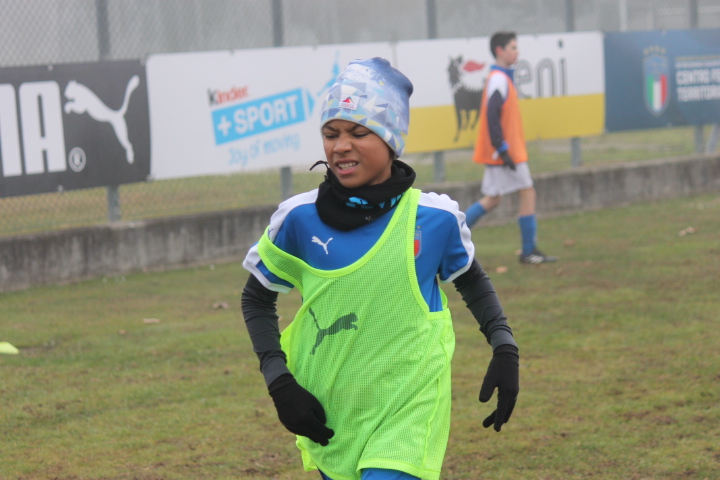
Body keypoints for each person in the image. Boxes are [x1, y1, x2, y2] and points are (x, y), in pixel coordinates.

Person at [241, 57, 519, 480]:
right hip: (333, 415)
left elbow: (471, 281)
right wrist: (279, 382)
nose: (340, 146)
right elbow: (257, 298)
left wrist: (504, 347)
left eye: (358, 132)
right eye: (331, 134)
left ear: (391, 140)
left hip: (409, 409)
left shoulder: (434, 219)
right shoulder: (298, 219)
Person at [465, 31, 557, 264]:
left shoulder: (501, 78)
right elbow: (492, 116)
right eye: (513, 48)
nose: (517, 52)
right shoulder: (498, 78)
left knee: (492, 199)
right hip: (505, 153)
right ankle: (528, 251)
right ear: (500, 51)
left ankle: (448, 235)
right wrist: (503, 149)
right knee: (527, 192)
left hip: (502, 152)